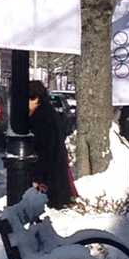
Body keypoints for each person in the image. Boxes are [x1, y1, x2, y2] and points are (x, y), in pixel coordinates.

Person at [28, 80, 75, 209]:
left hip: (48, 173)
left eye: (29, 100)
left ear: (36, 99)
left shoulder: (41, 117)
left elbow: (44, 148)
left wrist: (38, 176)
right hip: (53, 168)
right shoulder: (48, 113)